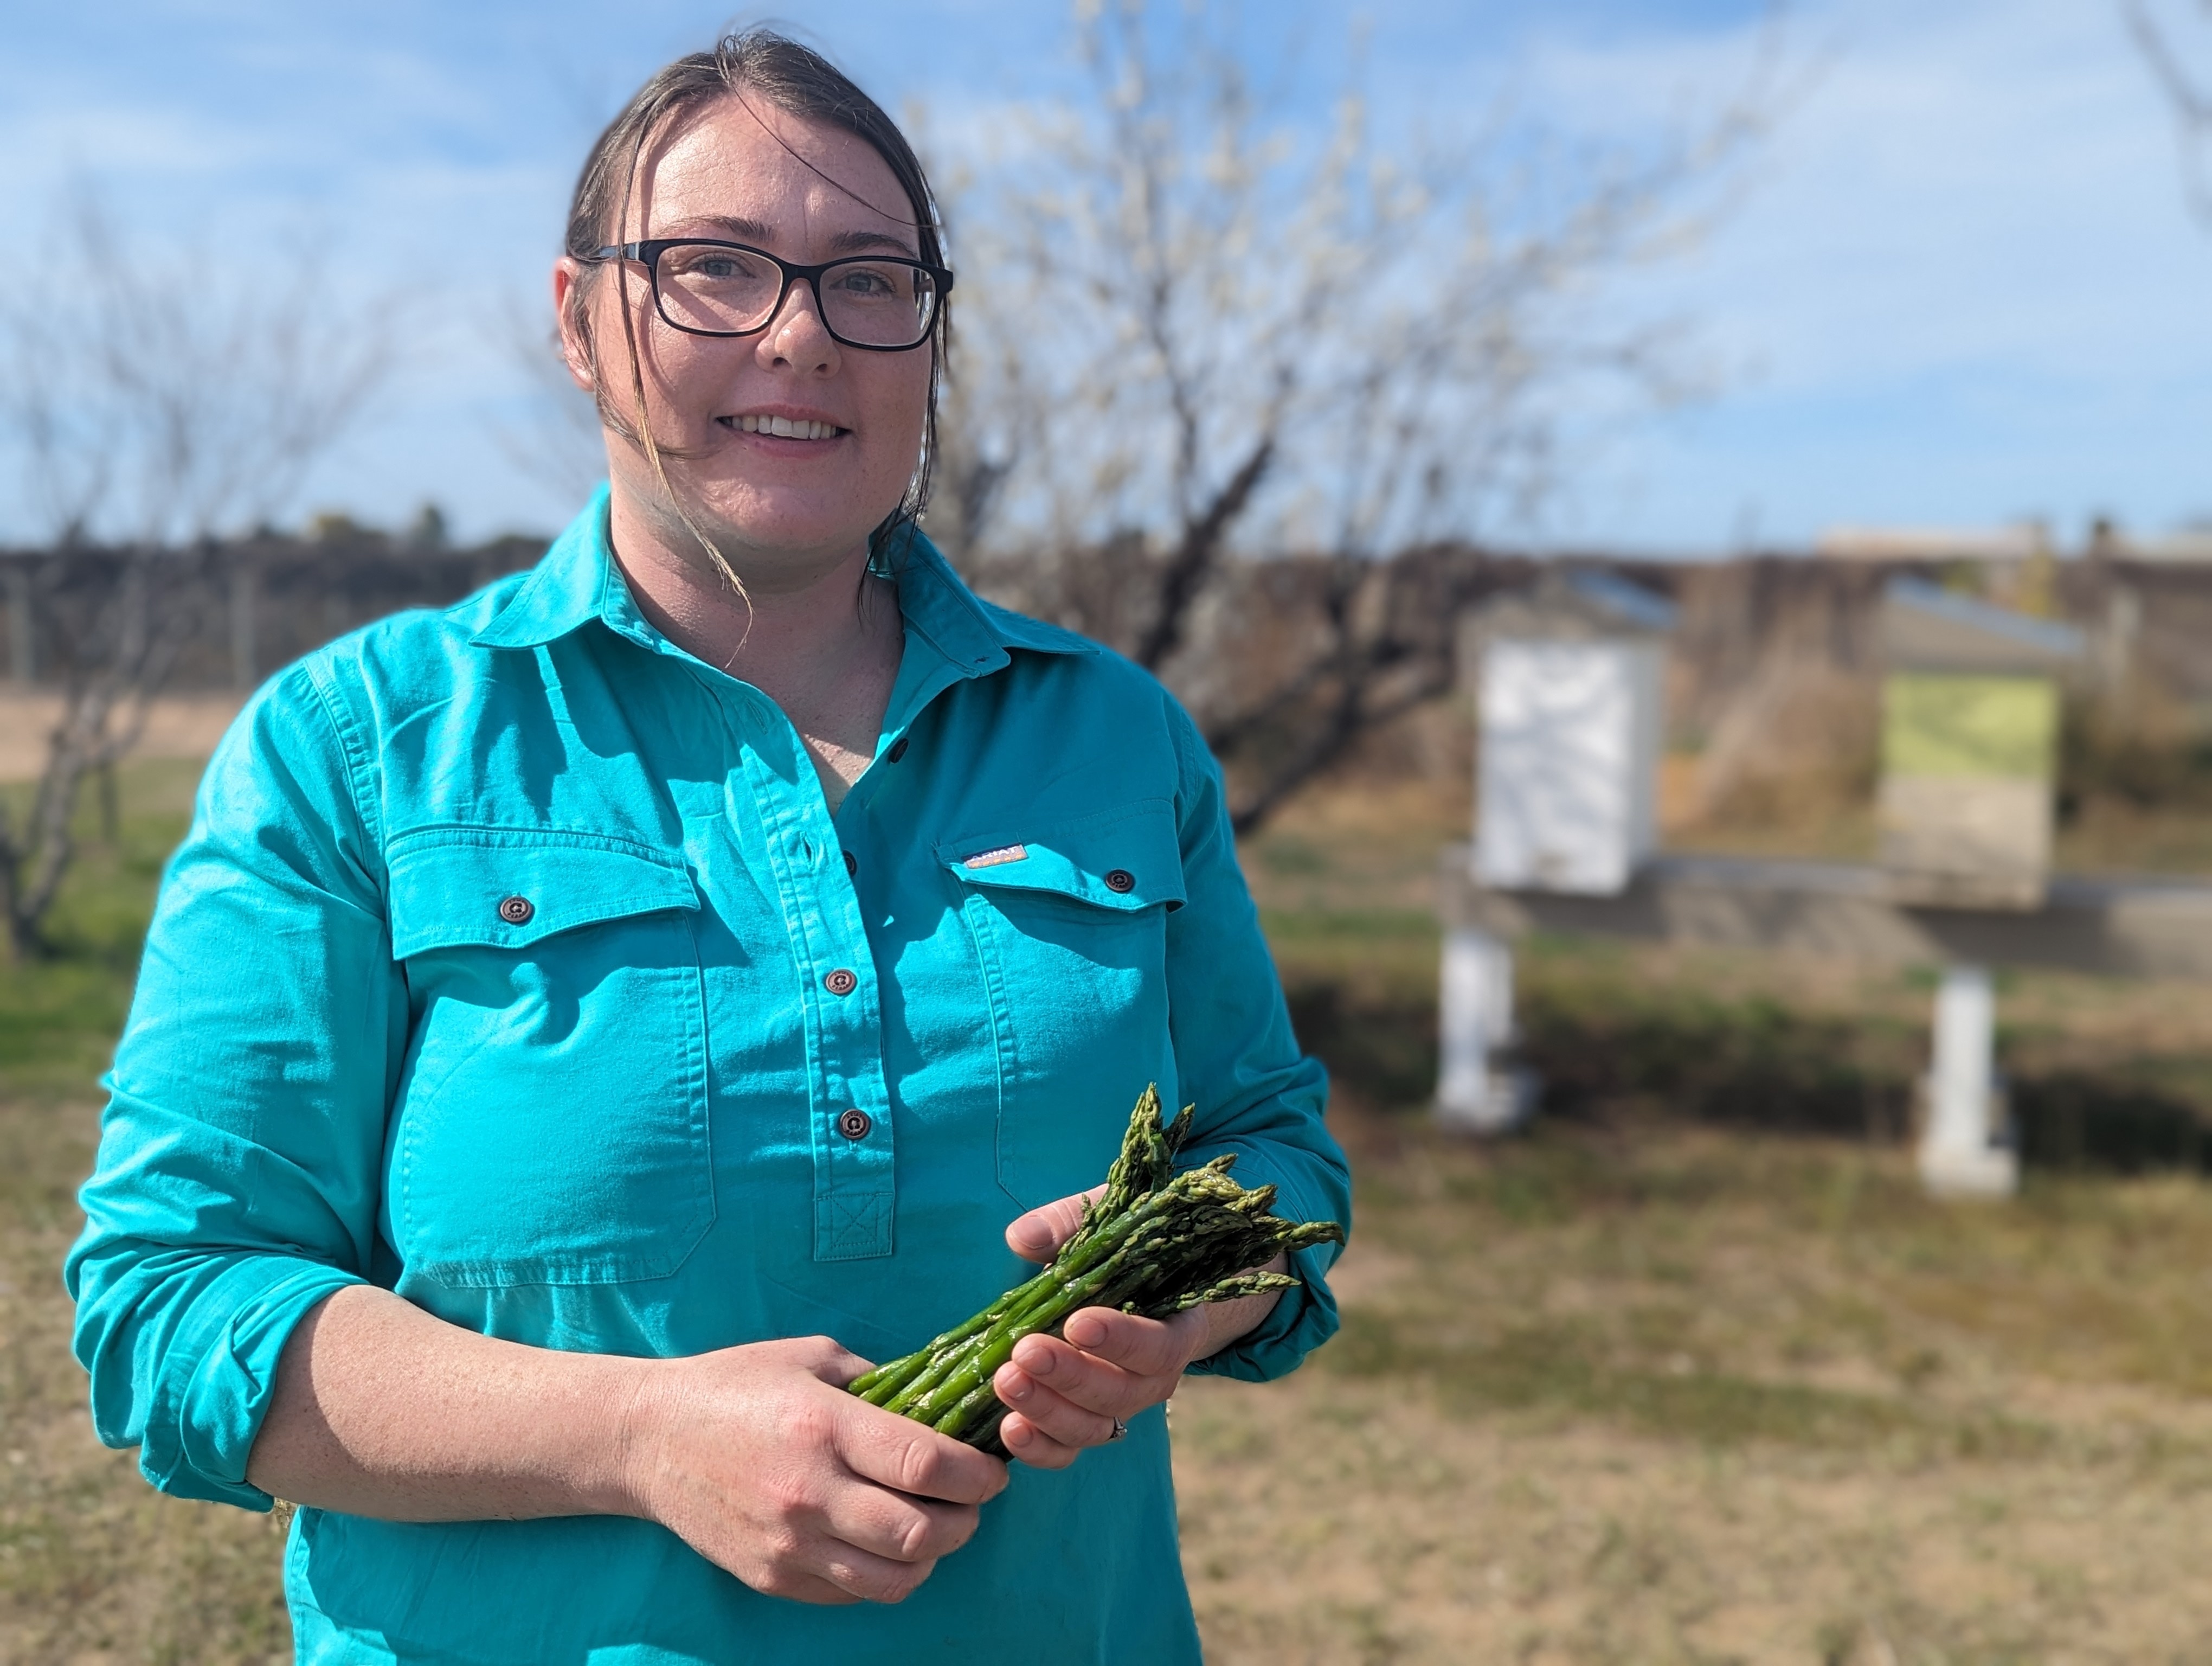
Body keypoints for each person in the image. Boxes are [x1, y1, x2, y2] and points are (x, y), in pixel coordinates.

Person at [66, 29, 1349, 1664]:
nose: (802, 335)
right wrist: (638, 1438)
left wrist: (1180, 1300)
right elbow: (172, 1313)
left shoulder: (1113, 735)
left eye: (870, 280)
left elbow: (1273, 1151)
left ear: (929, 341)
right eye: (713, 270)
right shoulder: (358, 747)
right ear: (577, 323)